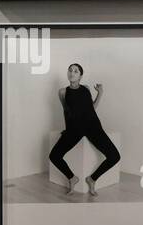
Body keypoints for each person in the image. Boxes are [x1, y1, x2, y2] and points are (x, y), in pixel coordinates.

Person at [48, 63, 119, 196]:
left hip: (93, 127)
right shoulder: (62, 92)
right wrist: (67, 129)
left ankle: (92, 179)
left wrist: (100, 93)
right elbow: (66, 111)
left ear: (80, 76)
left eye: (75, 71)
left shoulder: (86, 88)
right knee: (54, 156)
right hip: (75, 129)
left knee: (114, 156)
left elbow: (92, 108)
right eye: (70, 70)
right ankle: (72, 178)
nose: (72, 73)